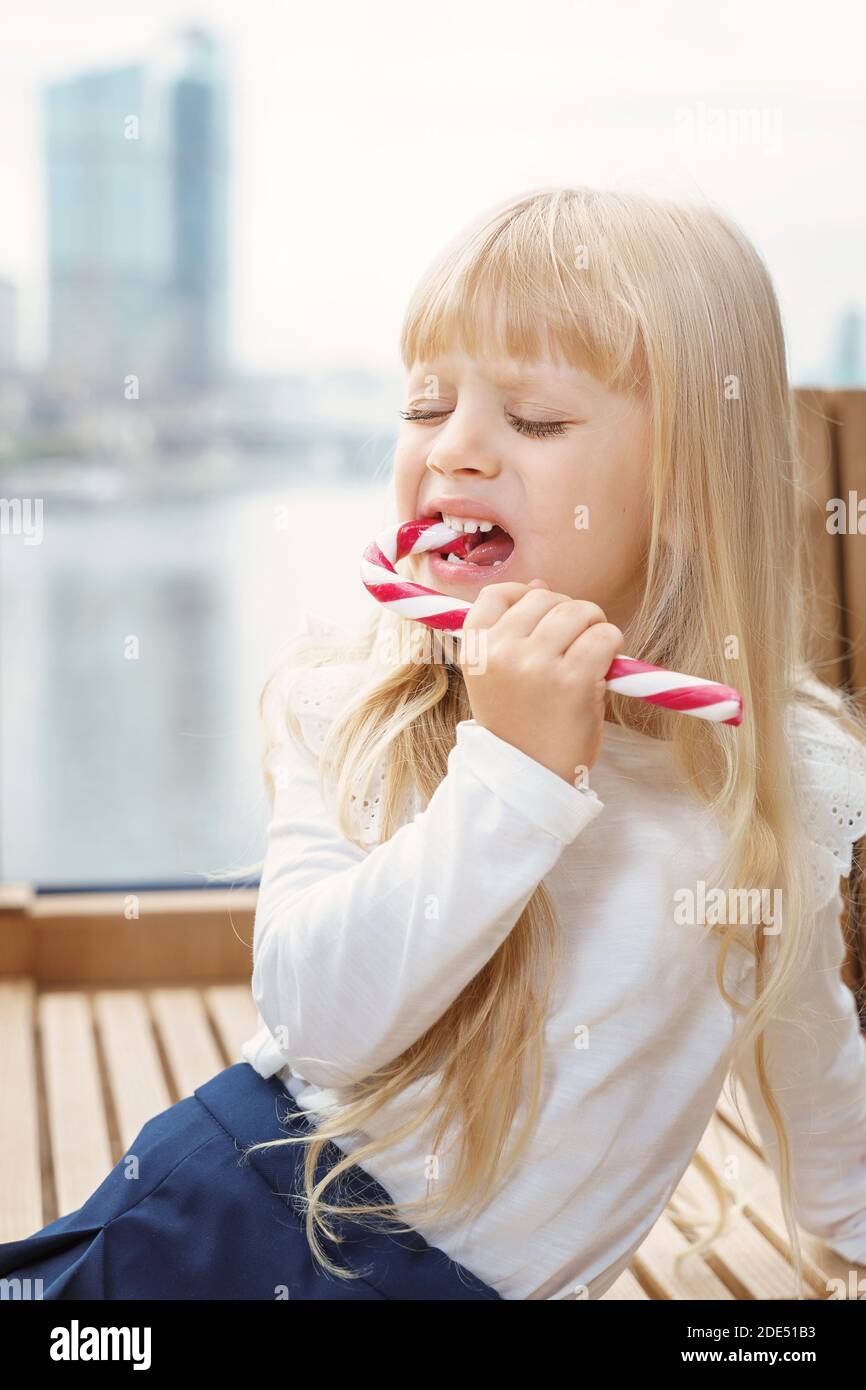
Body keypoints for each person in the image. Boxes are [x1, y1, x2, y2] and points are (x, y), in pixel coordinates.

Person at [3, 185, 865, 1301]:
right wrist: (509, 777)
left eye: (535, 419)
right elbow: (316, 1020)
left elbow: (805, 1042)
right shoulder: (345, 699)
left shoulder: (780, 776)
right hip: (237, 1224)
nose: (454, 450)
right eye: (424, 407)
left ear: (690, 486)